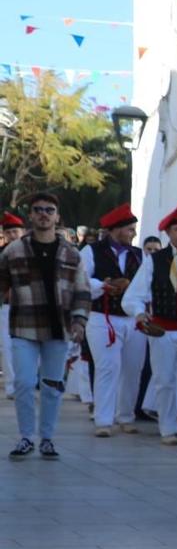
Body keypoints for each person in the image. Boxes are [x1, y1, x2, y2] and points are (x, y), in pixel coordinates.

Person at [3, 191, 91, 460]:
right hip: (24, 327)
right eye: (38, 209)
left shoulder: (71, 252)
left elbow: (82, 290)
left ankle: (47, 439)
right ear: (31, 215)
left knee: (53, 386)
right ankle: (26, 437)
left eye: (49, 210)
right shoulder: (14, 250)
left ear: (57, 216)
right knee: (24, 383)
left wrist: (79, 320)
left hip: (59, 328)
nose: (43, 214)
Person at [124, 206, 177, 443]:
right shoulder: (154, 261)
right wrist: (140, 314)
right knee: (164, 380)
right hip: (163, 330)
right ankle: (168, 428)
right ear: (169, 233)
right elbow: (133, 296)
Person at [83, 204, 146, 437]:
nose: (133, 234)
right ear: (115, 229)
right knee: (108, 367)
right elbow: (80, 280)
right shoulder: (91, 251)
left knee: (133, 368)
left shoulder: (139, 255)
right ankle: (103, 420)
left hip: (132, 319)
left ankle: (126, 416)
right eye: (130, 229)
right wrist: (103, 285)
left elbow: (145, 285)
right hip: (102, 316)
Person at [0, 210, 22, 389]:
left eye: (15, 231)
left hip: (31, 307)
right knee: (6, 345)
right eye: (8, 232)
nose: (12, 235)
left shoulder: (33, 251)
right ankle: (11, 384)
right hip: (6, 305)